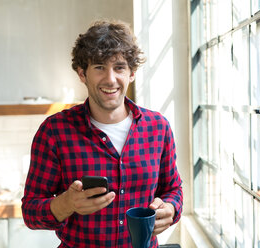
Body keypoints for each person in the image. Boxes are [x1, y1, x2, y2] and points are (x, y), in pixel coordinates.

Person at [21, 19, 183, 248]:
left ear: (131, 73)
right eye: (99, 67)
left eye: (119, 67)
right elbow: (30, 212)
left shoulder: (158, 127)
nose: (110, 78)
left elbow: (173, 189)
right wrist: (66, 204)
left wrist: (171, 208)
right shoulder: (54, 132)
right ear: (82, 73)